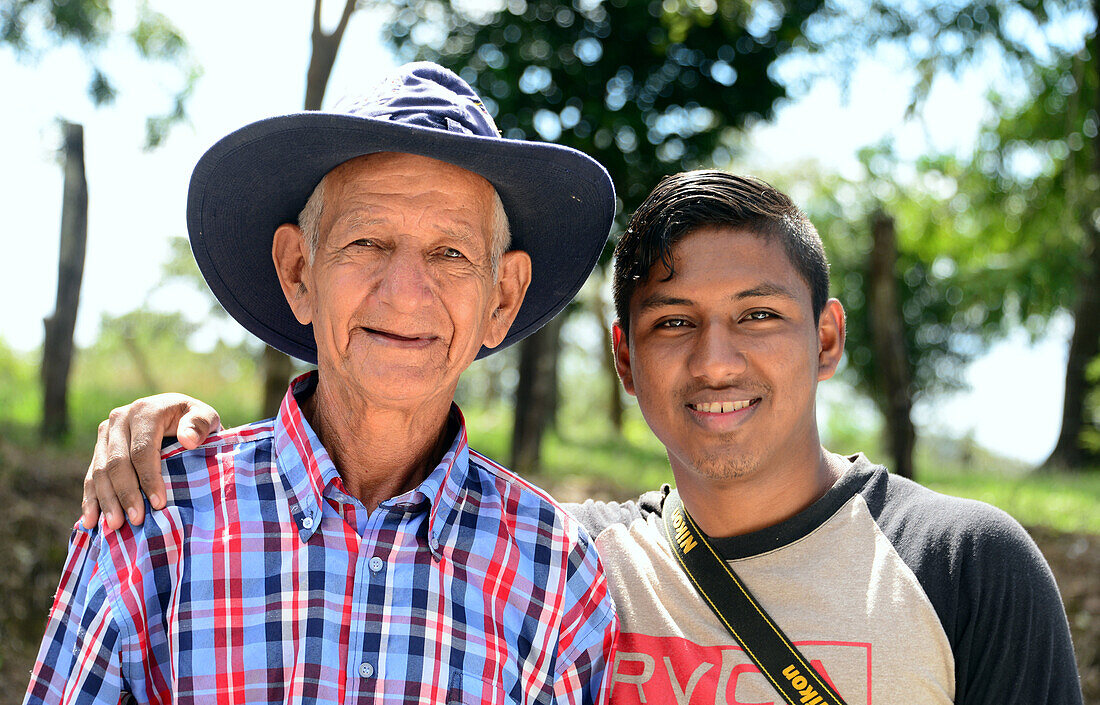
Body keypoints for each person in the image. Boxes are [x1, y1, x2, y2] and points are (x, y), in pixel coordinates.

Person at [76, 171, 1083, 704]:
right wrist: (169, 435)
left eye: (759, 316)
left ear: (825, 337)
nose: (715, 360)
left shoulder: (961, 566)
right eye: (671, 323)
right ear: (621, 361)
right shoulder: (579, 556)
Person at [25, 62, 618, 705]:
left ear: (501, 299)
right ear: (300, 271)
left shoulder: (555, 569)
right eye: (367, 242)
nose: (405, 293)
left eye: (450, 253)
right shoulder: (154, 525)